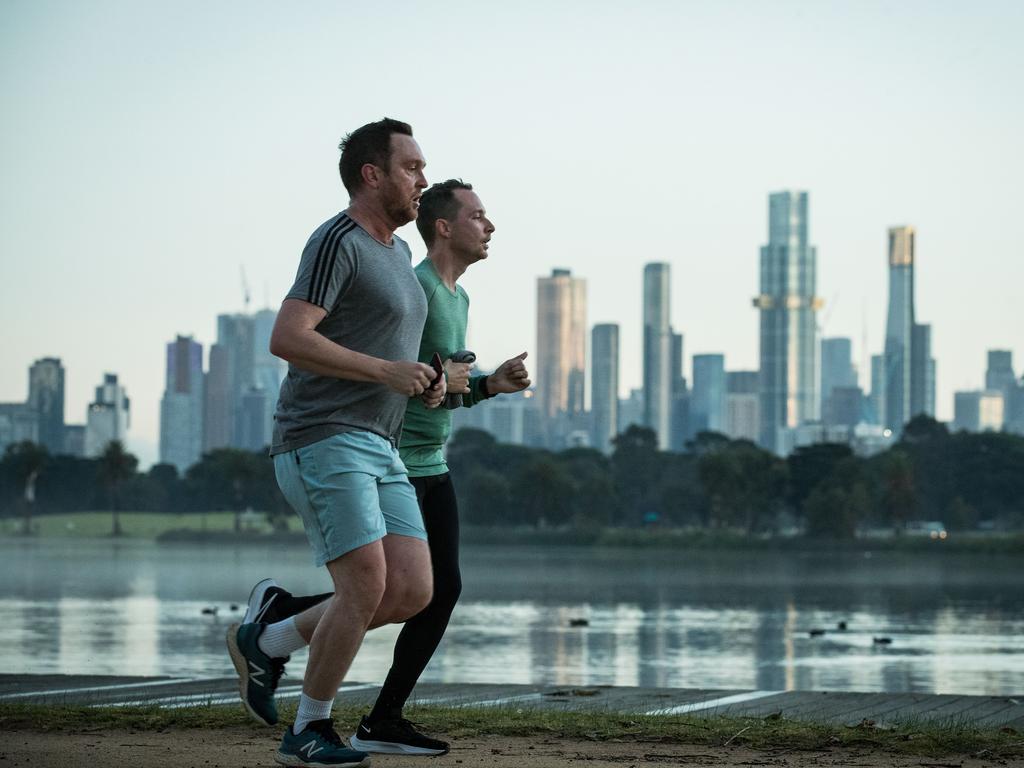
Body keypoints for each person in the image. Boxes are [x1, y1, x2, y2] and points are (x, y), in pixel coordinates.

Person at [234, 179, 531, 757]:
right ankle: (320, 720)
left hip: (401, 450)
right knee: (378, 587)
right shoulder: (385, 265)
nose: (490, 225)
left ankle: (275, 636)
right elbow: (337, 353)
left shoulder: (420, 276)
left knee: (420, 591)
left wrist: (485, 386)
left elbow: (426, 387)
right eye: (478, 215)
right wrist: (409, 380)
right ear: (443, 227)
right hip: (378, 448)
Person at [226, 117, 444, 768]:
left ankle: (267, 642)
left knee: (410, 590)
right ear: (370, 175)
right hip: (321, 436)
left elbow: (388, 354)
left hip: (382, 443)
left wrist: (425, 382)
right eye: (411, 168)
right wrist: (384, 372)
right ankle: (309, 730)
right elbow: (288, 337)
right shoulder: (338, 240)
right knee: (364, 583)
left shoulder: (401, 257)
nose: (422, 181)